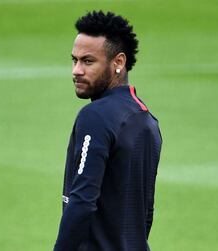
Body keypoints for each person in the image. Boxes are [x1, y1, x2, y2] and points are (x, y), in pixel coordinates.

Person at [54, 10, 162, 251]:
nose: (76, 70)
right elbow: (146, 210)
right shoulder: (147, 119)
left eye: (88, 61)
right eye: (75, 60)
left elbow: (82, 200)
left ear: (118, 62)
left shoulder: (96, 116)